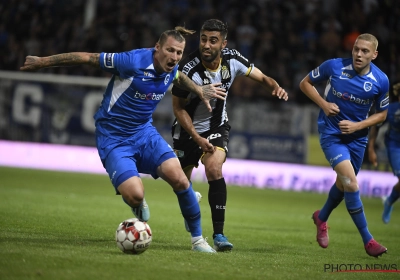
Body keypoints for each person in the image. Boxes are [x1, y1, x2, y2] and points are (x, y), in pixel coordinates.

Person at [20, 26, 228, 253]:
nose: (175, 57)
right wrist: (43, 62)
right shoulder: (131, 61)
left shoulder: (172, 66)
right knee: (135, 194)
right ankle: (137, 202)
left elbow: (179, 77)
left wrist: (198, 89)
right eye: (170, 50)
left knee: (179, 178)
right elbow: (88, 58)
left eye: (179, 53)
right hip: (114, 137)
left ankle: (198, 240)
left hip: (144, 133)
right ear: (157, 48)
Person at [169, 19, 288, 251]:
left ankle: (219, 235)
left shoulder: (233, 59)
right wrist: (195, 137)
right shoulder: (188, 70)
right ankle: (190, 202)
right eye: (203, 39)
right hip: (187, 132)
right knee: (181, 185)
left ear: (223, 43)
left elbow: (263, 78)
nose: (206, 45)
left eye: (213, 41)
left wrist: (274, 86)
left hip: (216, 127)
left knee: (214, 169)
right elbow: (178, 108)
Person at [299, 33, 389, 258]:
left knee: (343, 183)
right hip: (332, 134)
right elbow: (305, 83)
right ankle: (368, 240)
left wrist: (358, 126)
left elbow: (382, 115)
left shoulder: (381, 81)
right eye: (356, 49)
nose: (359, 54)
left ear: (374, 55)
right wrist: (324, 104)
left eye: (365, 51)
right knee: (350, 182)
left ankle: (321, 217)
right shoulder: (334, 66)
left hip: (357, 139)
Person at [368, 82, 400, 224]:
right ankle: (389, 202)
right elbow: (375, 125)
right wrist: (371, 148)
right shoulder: (391, 110)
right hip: (394, 146)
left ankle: (389, 200)